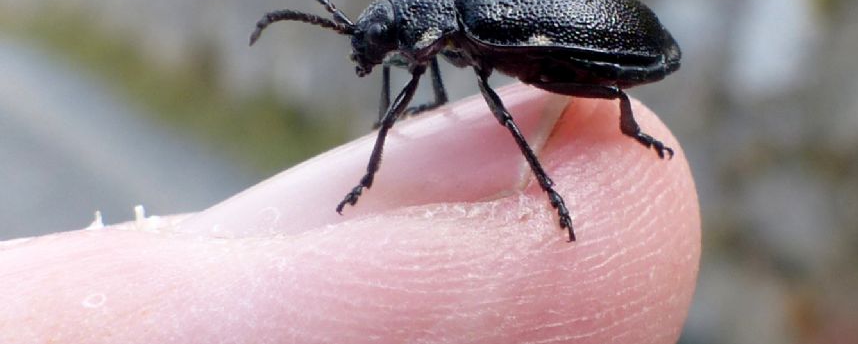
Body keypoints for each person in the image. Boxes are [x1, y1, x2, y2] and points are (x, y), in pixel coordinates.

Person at [0, 84, 700, 342]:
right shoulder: (443, 28)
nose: (373, 55)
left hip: (586, 38)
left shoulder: (462, 21)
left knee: (545, 95)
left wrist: (540, 183)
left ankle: (565, 166)